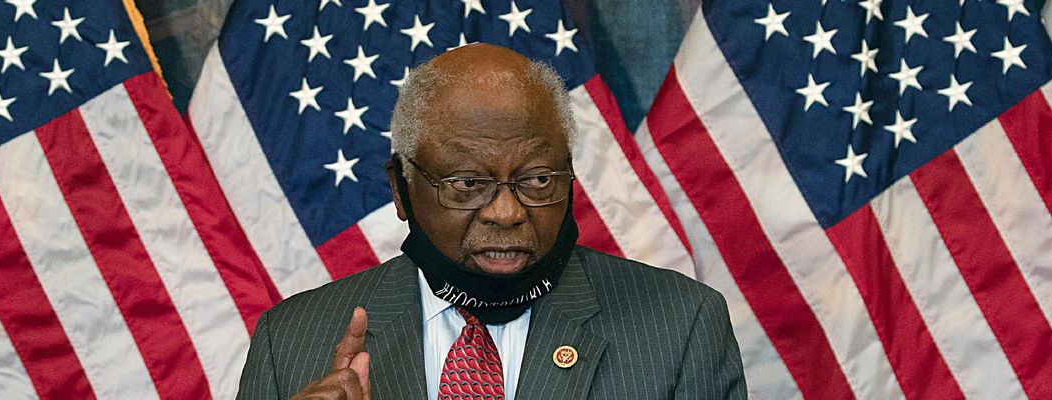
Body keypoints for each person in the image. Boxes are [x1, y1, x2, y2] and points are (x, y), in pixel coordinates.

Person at [237, 44, 746, 400]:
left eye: (539, 179)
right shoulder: (291, 342)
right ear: (401, 188)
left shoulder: (680, 327)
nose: (507, 213)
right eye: (467, 183)